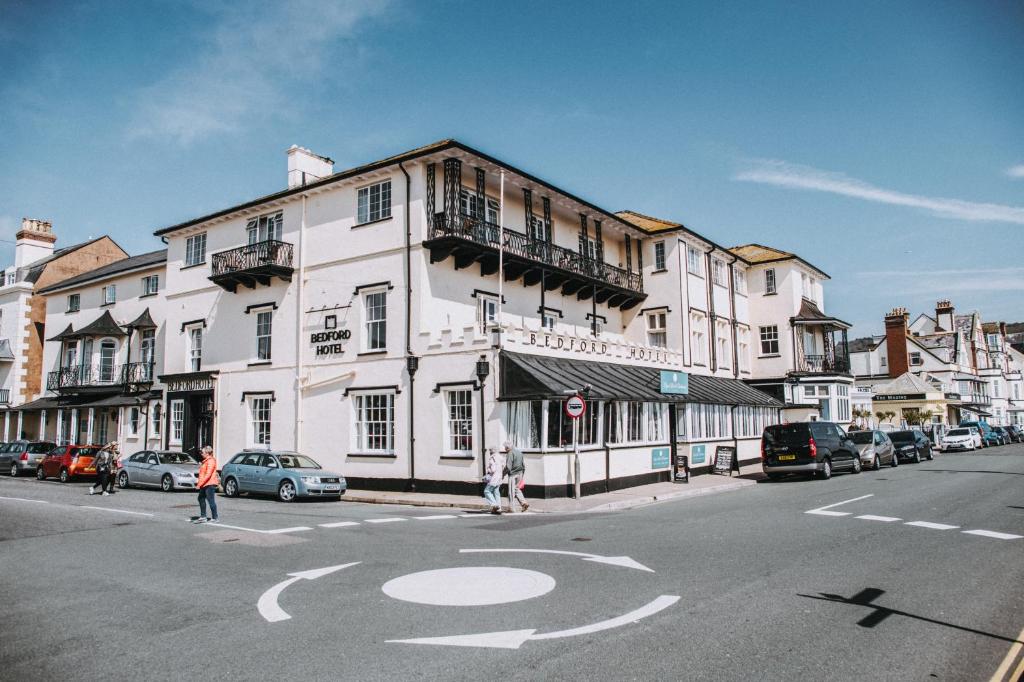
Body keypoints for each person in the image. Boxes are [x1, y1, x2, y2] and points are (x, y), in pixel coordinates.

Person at [193, 446, 219, 524]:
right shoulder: (206, 461)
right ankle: (203, 517)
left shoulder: (211, 461)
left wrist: (199, 484)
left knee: (211, 501)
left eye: (203, 452)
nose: (201, 454)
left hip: (210, 484)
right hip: (205, 484)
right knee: (201, 498)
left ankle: (215, 518)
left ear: (207, 453)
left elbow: (208, 474)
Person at [503, 441, 529, 513]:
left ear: (508, 448)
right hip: (520, 473)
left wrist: (503, 474)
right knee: (517, 489)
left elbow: (508, 467)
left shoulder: (510, 453)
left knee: (511, 492)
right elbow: (523, 465)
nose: (505, 449)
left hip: (513, 475)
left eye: (505, 448)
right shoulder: (519, 453)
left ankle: (511, 508)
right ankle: (524, 503)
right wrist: (522, 474)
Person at [483, 447, 505, 515]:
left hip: (493, 478)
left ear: (491, 452)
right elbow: (503, 466)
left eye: (490, 452)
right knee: (496, 492)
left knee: (487, 491)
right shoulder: (501, 457)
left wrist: (488, 470)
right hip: (499, 478)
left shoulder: (492, 458)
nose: (489, 453)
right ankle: (499, 509)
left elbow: (493, 469)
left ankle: (494, 505)